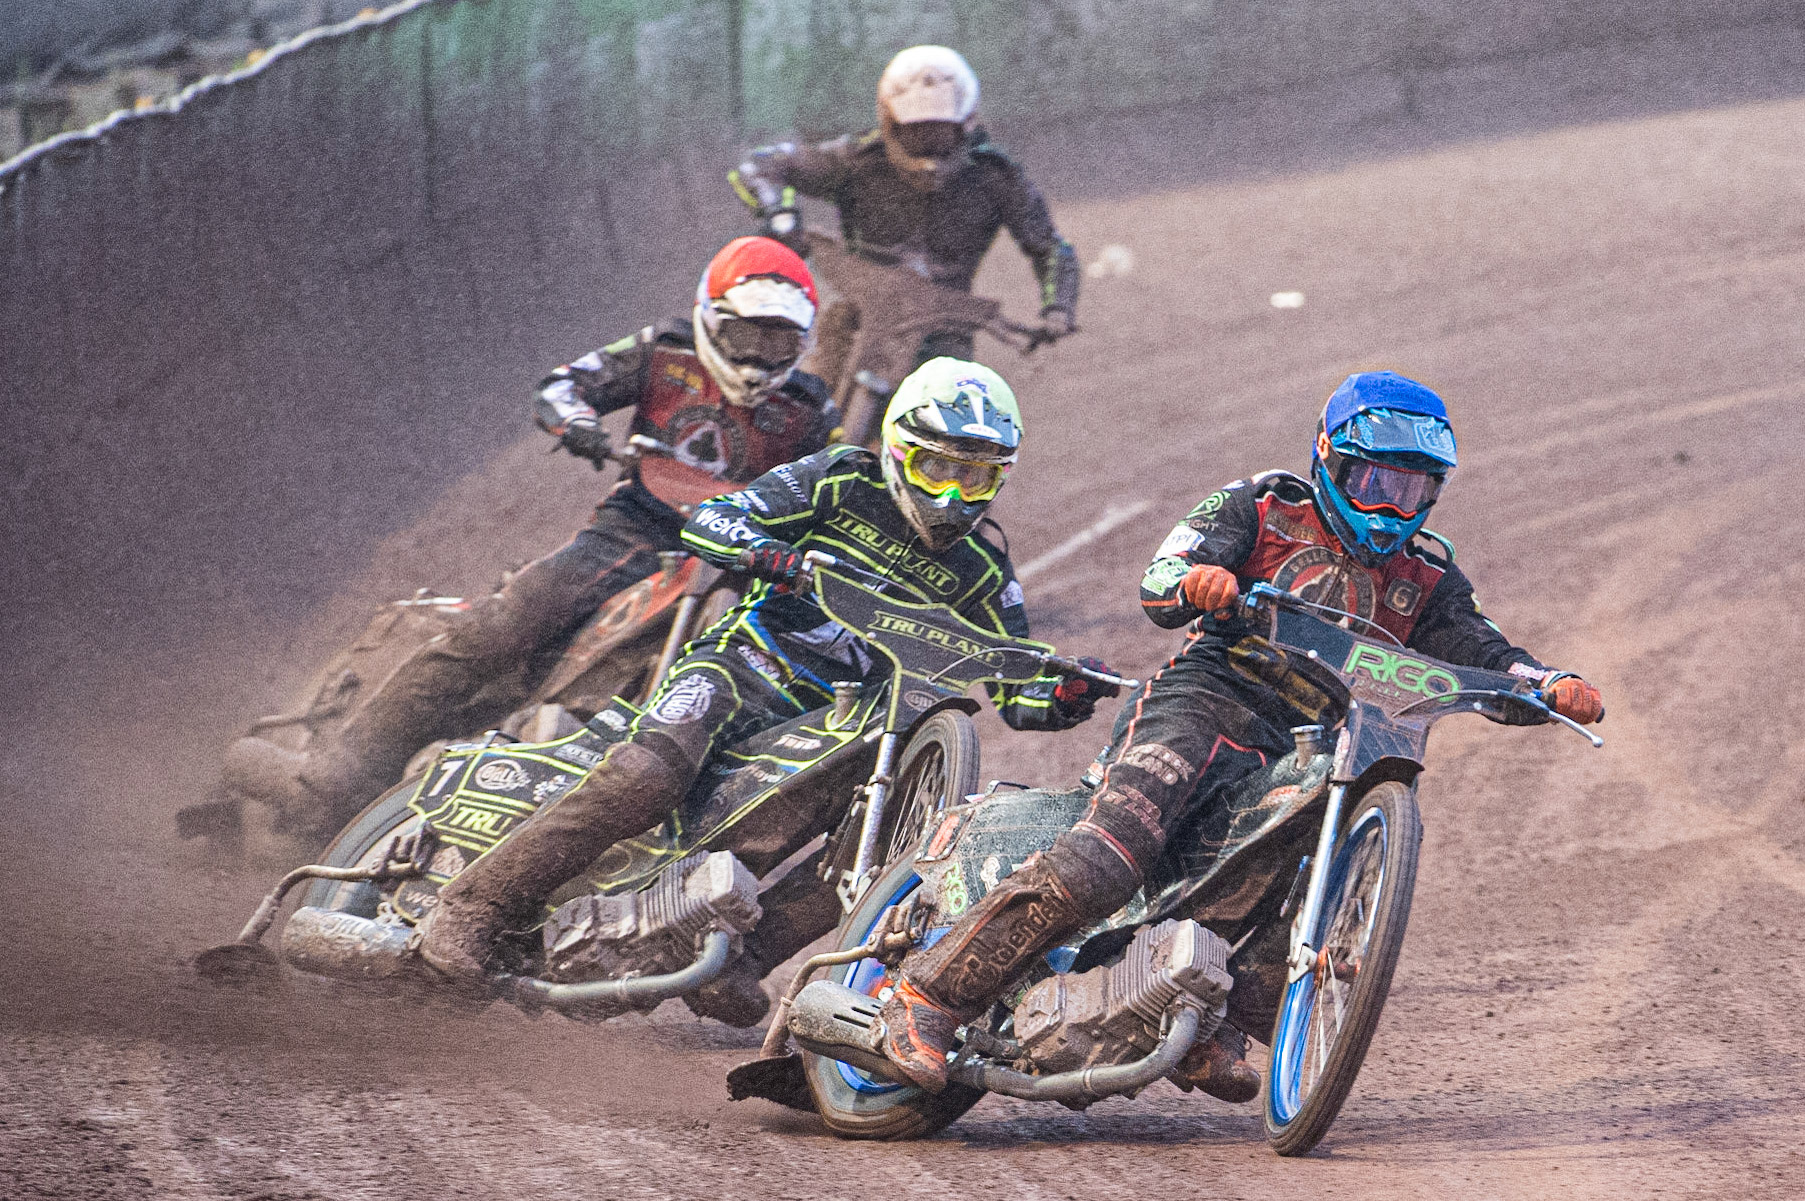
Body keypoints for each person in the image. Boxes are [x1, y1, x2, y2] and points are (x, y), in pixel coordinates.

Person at [874, 370, 1607, 1099]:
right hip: (1207, 702)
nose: (1389, 506)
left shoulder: (1428, 576)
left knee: (1293, 867)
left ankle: (1202, 1015)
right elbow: (1164, 571)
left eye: (1411, 489)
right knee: (1109, 857)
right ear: (1328, 458)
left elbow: (1482, 649)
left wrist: (1542, 683)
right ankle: (927, 996)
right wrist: (1197, 580)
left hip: (1313, 741)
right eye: (1372, 480)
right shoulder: (1262, 506)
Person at [417, 358, 1117, 1022]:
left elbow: (1015, 681)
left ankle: (743, 956)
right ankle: (474, 905)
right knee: (642, 775)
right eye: (937, 468)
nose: (953, 495)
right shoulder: (839, 479)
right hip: (743, 667)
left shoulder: (982, 568)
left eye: (977, 477)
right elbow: (715, 519)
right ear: (899, 448)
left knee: (869, 841)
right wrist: (762, 550)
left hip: (836, 725)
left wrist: (1064, 693)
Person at [242, 237, 836, 834]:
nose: (760, 356)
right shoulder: (665, 351)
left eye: (779, 341)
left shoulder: (810, 408)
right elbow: (562, 384)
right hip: (637, 528)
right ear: (712, 319)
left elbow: (835, 486)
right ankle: (343, 770)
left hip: (739, 557)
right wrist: (577, 423)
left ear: (802, 344)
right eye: (747, 336)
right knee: (512, 619)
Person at [729, 44, 1079, 380]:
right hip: (858, 316)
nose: (929, 151)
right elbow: (761, 164)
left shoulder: (995, 176)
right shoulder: (858, 161)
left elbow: (1050, 248)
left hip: (945, 332)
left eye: (940, 135)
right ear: (889, 123)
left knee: (951, 431)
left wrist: (1057, 309)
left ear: (966, 127)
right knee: (807, 412)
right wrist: (779, 215)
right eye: (916, 134)